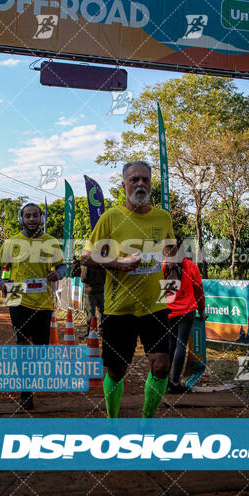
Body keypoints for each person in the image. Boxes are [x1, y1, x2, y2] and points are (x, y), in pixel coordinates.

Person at [81, 161, 175, 418]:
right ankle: (112, 420)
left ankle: (147, 423)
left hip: (154, 306)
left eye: (145, 179)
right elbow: (86, 256)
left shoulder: (163, 217)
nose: (141, 184)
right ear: (124, 185)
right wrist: (117, 264)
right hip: (119, 307)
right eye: (134, 180)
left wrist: (174, 272)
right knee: (116, 370)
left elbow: (170, 250)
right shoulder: (111, 217)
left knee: (161, 365)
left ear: (151, 183)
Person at [0, 202, 66, 411]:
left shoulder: (50, 242)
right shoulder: (12, 242)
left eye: (35, 216)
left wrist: (57, 273)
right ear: (21, 219)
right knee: (23, 344)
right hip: (16, 297)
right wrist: (0, 284)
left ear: (41, 218)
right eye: (27, 216)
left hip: (42, 300)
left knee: (41, 349)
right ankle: (26, 392)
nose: (31, 219)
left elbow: (62, 265)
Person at [162, 235, 207, 394]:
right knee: (181, 345)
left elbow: (162, 292)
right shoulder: (191, 266)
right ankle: (175, 383)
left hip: (169, 311)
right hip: (187, 311)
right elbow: (199, 292)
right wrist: (202, 311)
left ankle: (164, 382)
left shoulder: (164, 266)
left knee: (170, 345)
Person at [81, 263, 105, 336]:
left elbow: (83, 278)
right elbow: (106, 277)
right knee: (101, 311)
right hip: (100, 290)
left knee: (91, 312)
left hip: (90, 291)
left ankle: (90, 331)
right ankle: (102, 330)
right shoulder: (102, 264)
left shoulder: (88, 264)